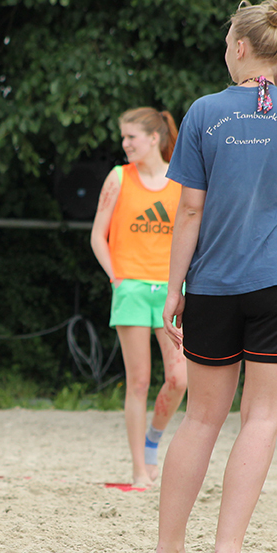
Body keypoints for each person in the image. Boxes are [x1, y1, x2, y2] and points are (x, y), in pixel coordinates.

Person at [150, 0, 277, 553]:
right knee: (261, 419)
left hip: (211, 286)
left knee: (201, 418)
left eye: (228, 43)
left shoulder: (203, 112)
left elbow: (189, 212)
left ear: (242, 47)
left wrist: (173, 289)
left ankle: (169, 552)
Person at [90, 108, 188, 488]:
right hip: (131, 288)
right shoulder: (118, 177)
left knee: (179, 379)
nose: (125, 143)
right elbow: (98, 235)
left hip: (170, 291)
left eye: (131, 137)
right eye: (124, 137)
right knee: (138, 382)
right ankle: (138, 470)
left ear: (154, 138)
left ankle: (152, 441)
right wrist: (116, 278)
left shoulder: (180, 179)